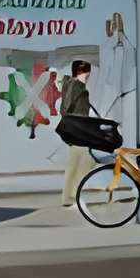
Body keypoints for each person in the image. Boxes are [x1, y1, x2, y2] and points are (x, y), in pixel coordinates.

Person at [59, 61, 100, 209]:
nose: (89, 75)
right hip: (76, 130)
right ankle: (70, 195)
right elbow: (65, 108)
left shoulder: (77, 85)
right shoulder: (75, 85)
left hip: (78, 129)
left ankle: (70, 195)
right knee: (82, 160)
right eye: (87, 72)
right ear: (81, 72)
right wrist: (73, 125)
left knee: (78, 161)